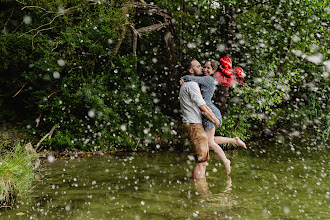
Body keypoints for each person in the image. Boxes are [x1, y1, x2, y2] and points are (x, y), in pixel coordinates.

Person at [182, 58, 246, 176]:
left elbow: (190, 78)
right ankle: (234, 140)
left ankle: (226, 161)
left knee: (210, 142)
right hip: (209, 111)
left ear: (213, 70)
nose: (205, 69)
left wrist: (184, 78)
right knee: (209, 140)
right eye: (204, 67)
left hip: (210, 112)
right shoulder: (207, 79)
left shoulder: (208, 79)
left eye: (208, 68)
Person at [179, 59, 221, 179]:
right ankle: (201, 192)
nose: (202, 69)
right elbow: (203, 107)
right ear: (191, 70)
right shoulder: (192, 85)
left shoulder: (189, 83)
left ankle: (200, 188)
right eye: (199, 66)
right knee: (202, 162)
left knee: (203, 160)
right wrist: (215, 120)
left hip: (191, 124)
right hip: (194, 126)